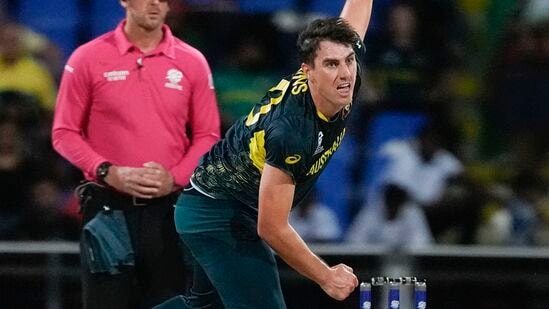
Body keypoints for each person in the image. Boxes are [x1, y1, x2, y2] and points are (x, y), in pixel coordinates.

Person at [155, 1, 374, 308]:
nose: (345, 74)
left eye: (349, 61)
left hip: (209, 203)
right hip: (218, 214)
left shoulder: (342, 82)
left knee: (203, 306)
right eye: (331, 64)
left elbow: (354, 20)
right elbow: (271, 227)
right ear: (307, 72)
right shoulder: (293, 132)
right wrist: (325, 276)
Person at [51, 0, 221, 308]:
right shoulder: (88, 57)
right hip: (106, 209)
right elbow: (63, 133)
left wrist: (174, 178)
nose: (156, 3)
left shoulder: (192, 61)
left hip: (169, 210)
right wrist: (107, 171)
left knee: (168, 303)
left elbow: (208, 135)